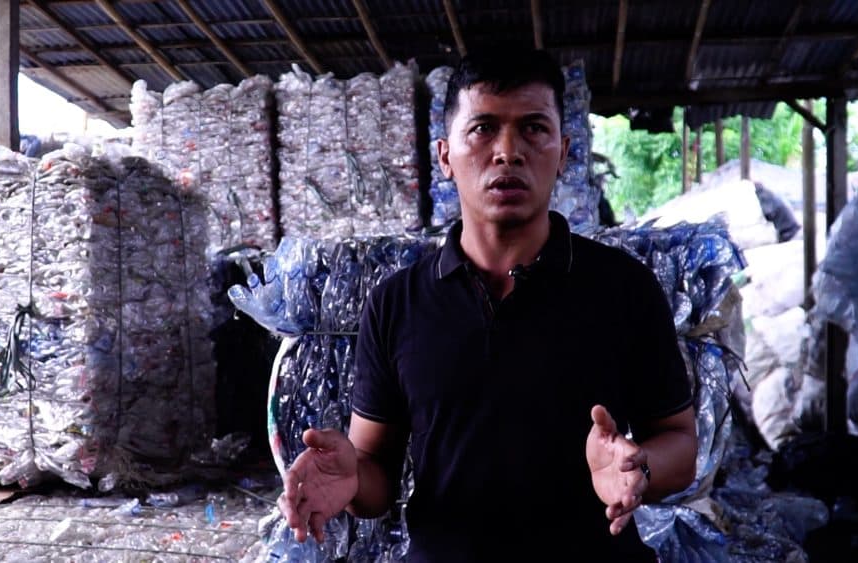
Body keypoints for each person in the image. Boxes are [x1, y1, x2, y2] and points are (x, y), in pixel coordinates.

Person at [278, 48, 697, 561]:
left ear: (564, 153)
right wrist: (350, 479)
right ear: (444, 156)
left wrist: (641, 468)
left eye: (534, 129)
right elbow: (377, 474)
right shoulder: (397, 303)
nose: (508, 151)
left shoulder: (624, 288)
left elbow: (679, 441)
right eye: (482, 129)